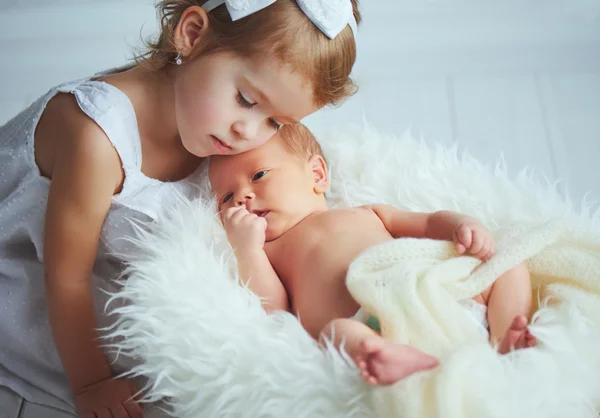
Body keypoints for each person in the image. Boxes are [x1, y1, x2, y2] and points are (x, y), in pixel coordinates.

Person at [0, 1, 361, 416]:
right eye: (246, 99)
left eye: (276, 122)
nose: (251, 132)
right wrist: (92, 383)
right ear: (191, 35)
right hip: (35, 281)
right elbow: (66, 276)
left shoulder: (210, 118)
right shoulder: (98, 139)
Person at [209, 123, 537, 386]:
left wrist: (463, 225)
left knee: (508, 260)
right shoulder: (268, 250)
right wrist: (247, 250)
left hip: (441, 294)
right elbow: (275, 310)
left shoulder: (367, 213)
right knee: (335, 333)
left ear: (317, 175)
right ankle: (385, 358)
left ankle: (504, 339)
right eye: (226, 198)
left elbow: (426, 223)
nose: (244, 197)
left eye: (258, 175)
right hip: (372, 324)